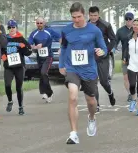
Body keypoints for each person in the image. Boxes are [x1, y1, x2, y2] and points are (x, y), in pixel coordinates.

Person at [59, 2, 107, 144]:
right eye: (73, 17)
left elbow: (103, 48)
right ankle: (73, 133)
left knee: (91, 101)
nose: (76, 20)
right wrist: (62, 65)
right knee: (73, 97)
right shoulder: (66, 30)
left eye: (79, 17)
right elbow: (63, 47)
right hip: (72, 68)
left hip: (89, 69)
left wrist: (101, 51)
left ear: (84, 15)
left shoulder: (94, 30)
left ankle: (91, 118)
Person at [88, 6, 116, 113]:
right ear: (89, 15)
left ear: (98, 15)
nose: (93, 17)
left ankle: (110, 93)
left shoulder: (106, 25)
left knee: (104, 81)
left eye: (95, 15)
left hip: (103, 57)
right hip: (91, 57)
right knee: (93, 82)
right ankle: (97, 104)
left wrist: (106, 51)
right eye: (91, 15)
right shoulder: (85, 25)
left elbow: (113, 39)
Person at [2, 20, 32, 115]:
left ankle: (20, 107)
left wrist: (23, 48)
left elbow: (29, 52)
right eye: (9, 27)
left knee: (19, 87)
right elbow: (0, 49)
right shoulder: (5, 38)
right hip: (9, 66)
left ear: (16, 28)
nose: (11, 29)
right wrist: (2, 55)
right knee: (7, 85)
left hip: (19, 67)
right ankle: (10, 101)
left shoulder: (21, 38)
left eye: (13, 27)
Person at [28, 17, 61, 103]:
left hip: (48, 57)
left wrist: (62, 47)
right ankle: (43, 92)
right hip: (40, 58)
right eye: (38, 23)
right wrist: (35, 47)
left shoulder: (49, 31)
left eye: (41, 23)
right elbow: (29, 44)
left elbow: (60, 38)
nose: (39, 25)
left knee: (43, 73)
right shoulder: (34, 33)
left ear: (44, 23)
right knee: (42, 74)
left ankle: (49, 93)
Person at [115, 12, 134, 102]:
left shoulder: (137, 29)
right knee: (126, 77)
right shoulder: (120, 31)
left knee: (134, 78)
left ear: (133, 19)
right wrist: (113, 49)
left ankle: (134, 91)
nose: (128, 21)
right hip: (125, 58)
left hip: (135, 58)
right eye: (126, 19)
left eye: (130, 19)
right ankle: (129, 94)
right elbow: (115, 42)